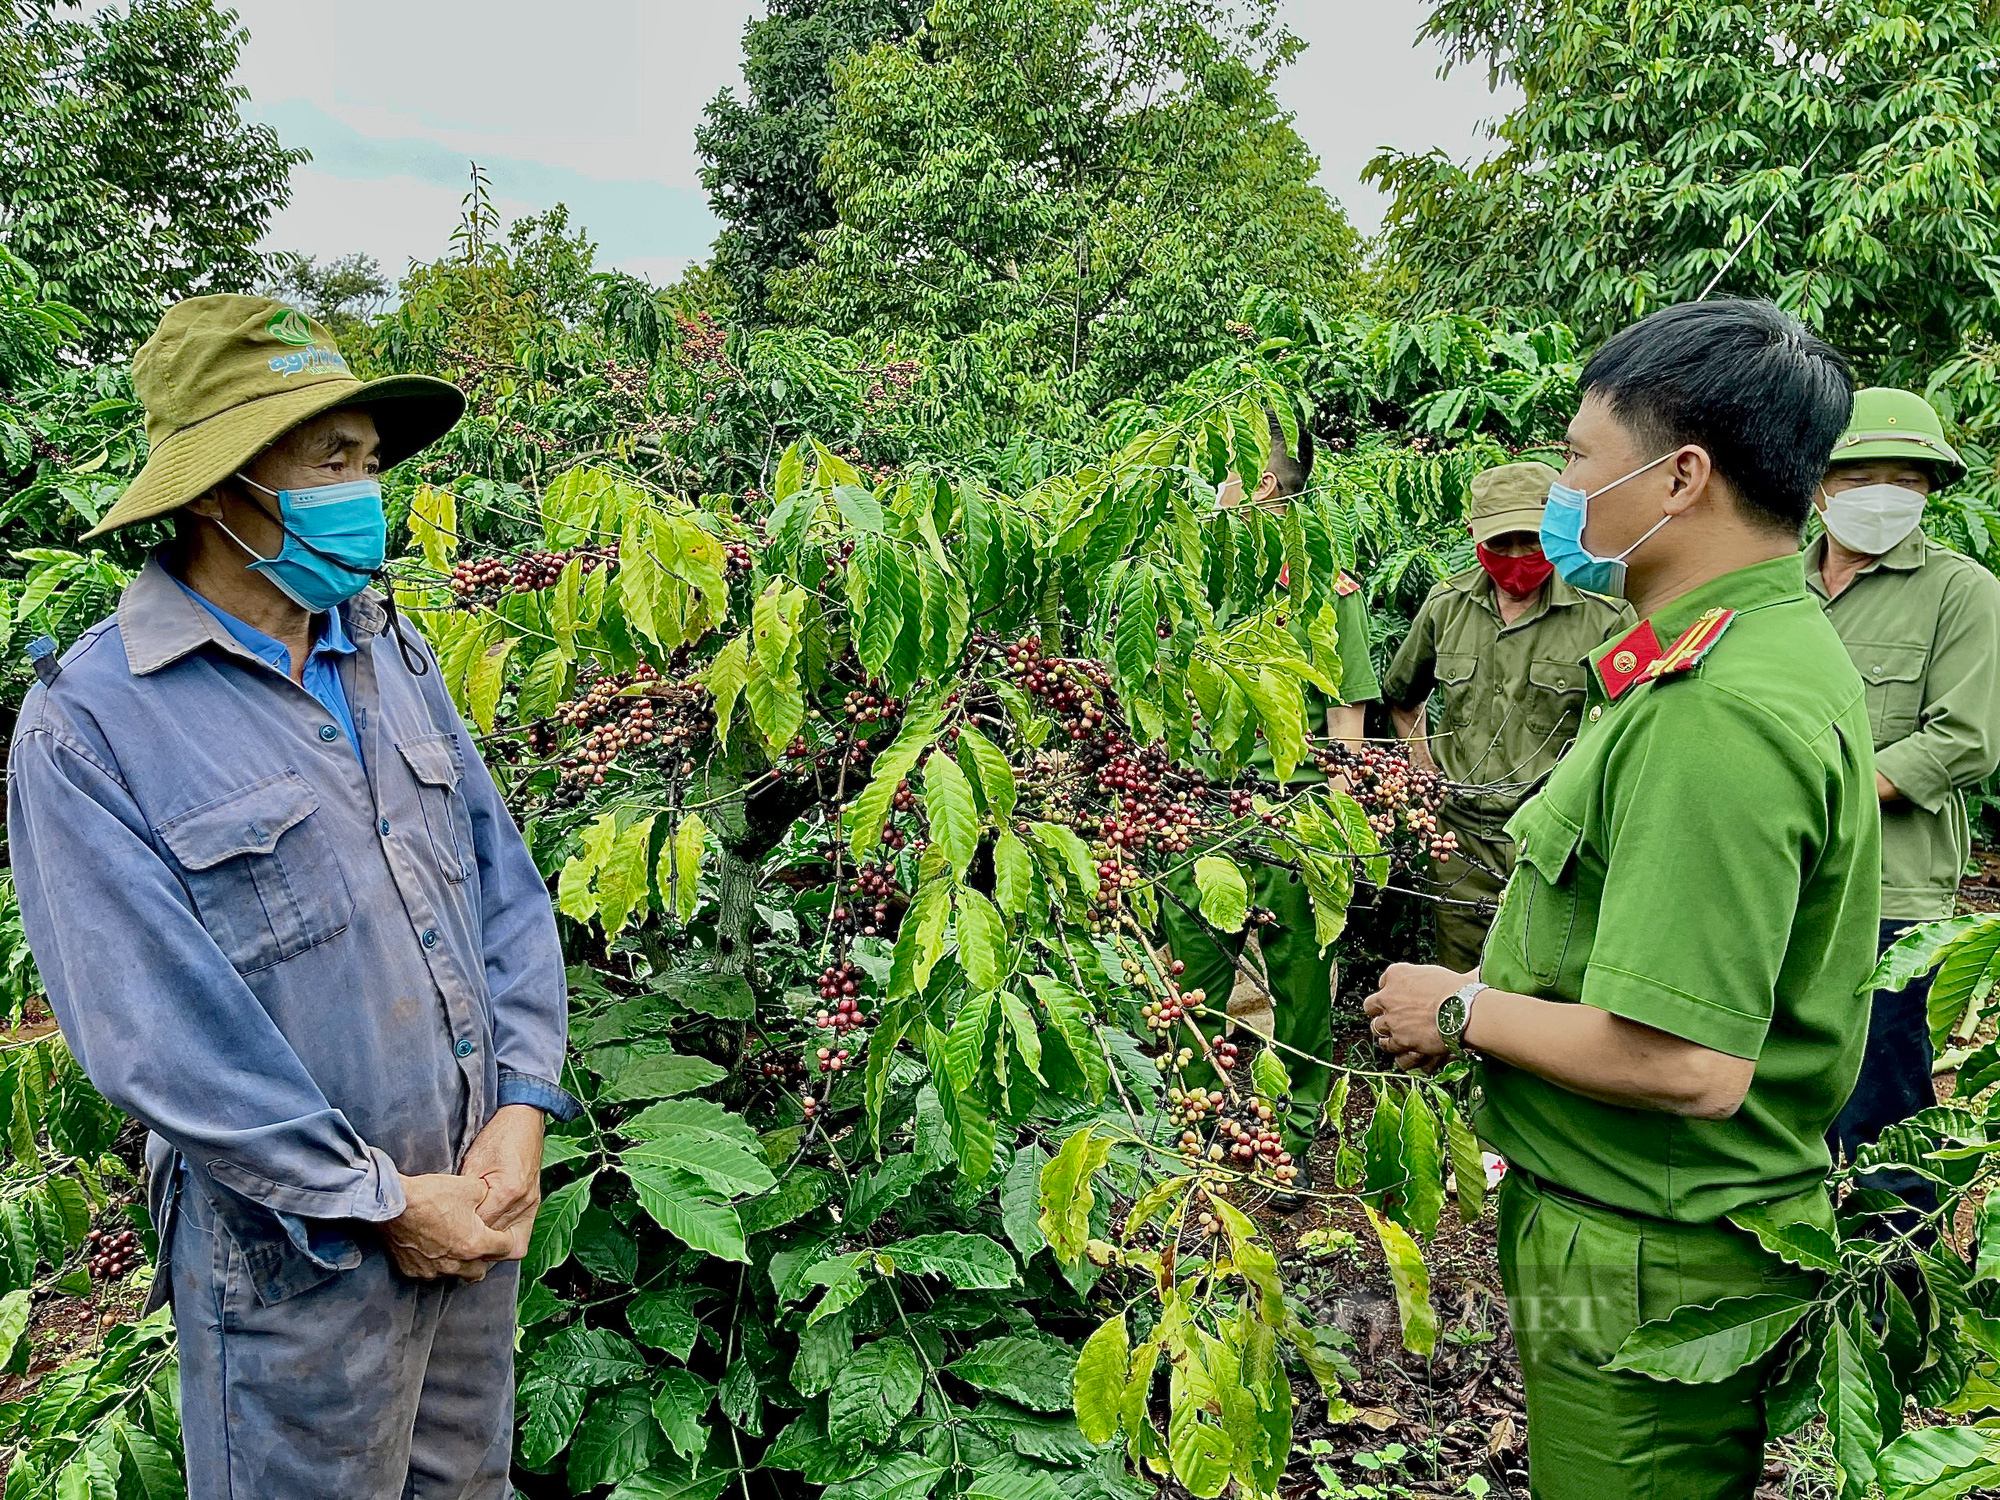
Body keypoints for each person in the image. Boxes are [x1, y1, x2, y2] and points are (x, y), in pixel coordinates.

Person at [6, 296, 576, 1499]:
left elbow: (501, 889)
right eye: (330, 460)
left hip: (472, 1212)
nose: (361, 489)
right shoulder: (93, 724)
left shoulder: (384, 647)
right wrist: (373, 1201)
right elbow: (155, 1033)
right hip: (297, 1261)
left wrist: (520, 1105)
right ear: (219, 488)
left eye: (366, 460)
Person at [1365, 299, 1876, 1500]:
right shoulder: (1722, 652)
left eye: (1581, 458)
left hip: (1647, 1254)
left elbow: (1689, 1063)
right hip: (1633, 1224)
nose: (1563, 488)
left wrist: (1456, 1011)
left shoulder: (1717, 710)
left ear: (1678, 476)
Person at [1163, 418, 1380, 1170]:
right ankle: (1198, 1127)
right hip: (1204, 805)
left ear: (1258, 485)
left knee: (1300, 980)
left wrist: (1343, 819)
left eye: (1225, 469)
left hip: (1292, 807)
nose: (1210, 482)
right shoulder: (1198, 581)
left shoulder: (1327, 588)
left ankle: (1297, 1126)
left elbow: (1348, 711)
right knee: (1193, 973)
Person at [1809, 387, 2000, 1216]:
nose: (1883, 493)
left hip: (1889, 891)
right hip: (1777, 881)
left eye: (1906, 478)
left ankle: (1893, 1288)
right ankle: (1791, 1275)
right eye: (1860, 474)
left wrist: (1811, 796)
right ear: (1818, 483)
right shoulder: (1774, 586)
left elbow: (1963, 739)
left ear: (1929, 490)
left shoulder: (1962, 592)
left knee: (1880, 1095)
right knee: (1780, 1079)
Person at [1383, 462, 1632, 969]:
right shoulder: (1446, 606)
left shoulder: (1608, 614)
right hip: (1460, 837)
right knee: (1458, 980)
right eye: (1502, 543)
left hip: (1556, 840)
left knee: (1547, 974)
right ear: (1476, 535)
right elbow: (1403, 696)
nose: (1517, 556)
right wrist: (1425, 769)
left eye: (1531, 540)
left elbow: (1632, 725)